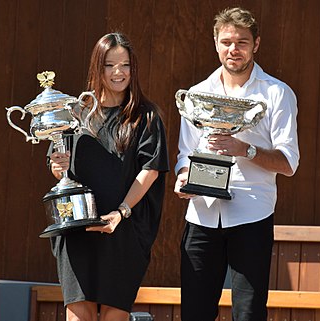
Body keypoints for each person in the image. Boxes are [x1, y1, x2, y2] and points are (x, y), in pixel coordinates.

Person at [174, 7, 299, 321]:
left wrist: (246, 150)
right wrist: (184, 176)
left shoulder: (277, 93)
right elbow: (184, 154)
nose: (234, 49)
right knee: (194, 313)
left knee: (248, 314)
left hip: (251, 215)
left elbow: (288, 163)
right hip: (201, 214)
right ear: (216, 44)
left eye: (242, 42)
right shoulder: (198, 94)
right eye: (227, 41)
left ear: (255, 44)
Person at [49, 32, 169, 321]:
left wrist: (120, 213)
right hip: (78, 231)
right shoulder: (74, 112)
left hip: (124, 232)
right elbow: (58, 168)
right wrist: (57, 165)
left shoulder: (147, 116)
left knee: (114, 317)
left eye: (125, 65)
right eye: (109, 65)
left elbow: (150, 170)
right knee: (79, 316)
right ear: (97, 67)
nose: (118, 72)